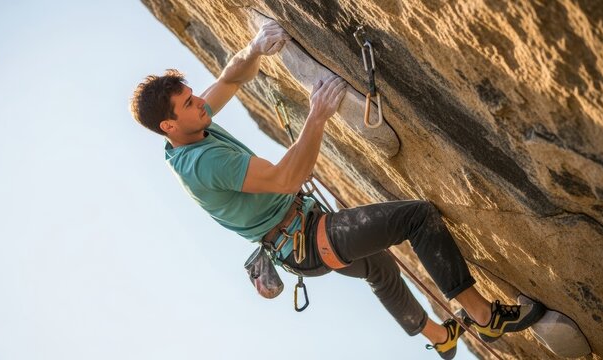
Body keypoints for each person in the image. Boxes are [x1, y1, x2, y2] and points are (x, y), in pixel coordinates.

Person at [129, 20, 544, 359]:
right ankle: (485, 317)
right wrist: (318, 116)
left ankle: (441, 337)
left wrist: (254, 48)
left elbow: (227, 79)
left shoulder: (189, 127)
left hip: (302, 240)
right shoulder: (203, 162)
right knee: (416, 218)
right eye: (188, 104)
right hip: (308, 239)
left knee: (381, 270)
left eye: (190, 96)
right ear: (169, 125)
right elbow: (284, 179)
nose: (199, 103)